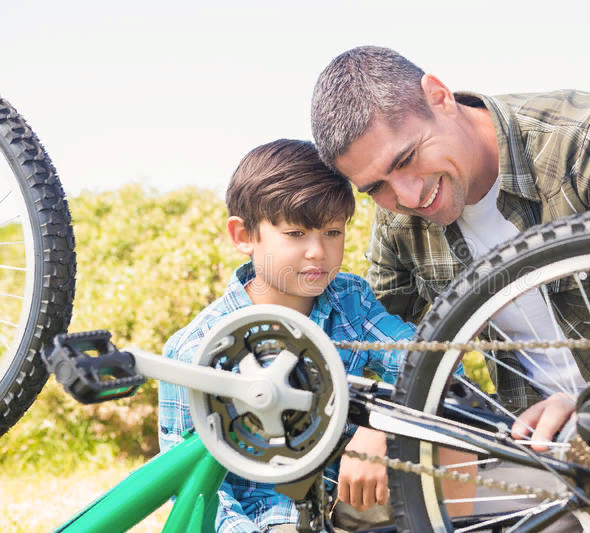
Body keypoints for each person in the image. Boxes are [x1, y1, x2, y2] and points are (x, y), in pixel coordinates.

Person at [310, 46, 590, 532]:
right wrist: (378, 420)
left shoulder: (588, 141)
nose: (406, 196)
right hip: (533, 458)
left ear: (439, 96)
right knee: (363, 505)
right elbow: (387, 346)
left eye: (407, 159)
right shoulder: (399, 224)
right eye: (376, 186)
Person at [157, 139, 414, 533]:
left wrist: (383, 426)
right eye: (296, 233)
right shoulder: (194, 349)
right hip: (261, 520)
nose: (318, 252)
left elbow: (420, 361)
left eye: (332, 232)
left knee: (440, 453)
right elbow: (188, 486)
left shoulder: (350, 299)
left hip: (348, 500)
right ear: (244, 236)